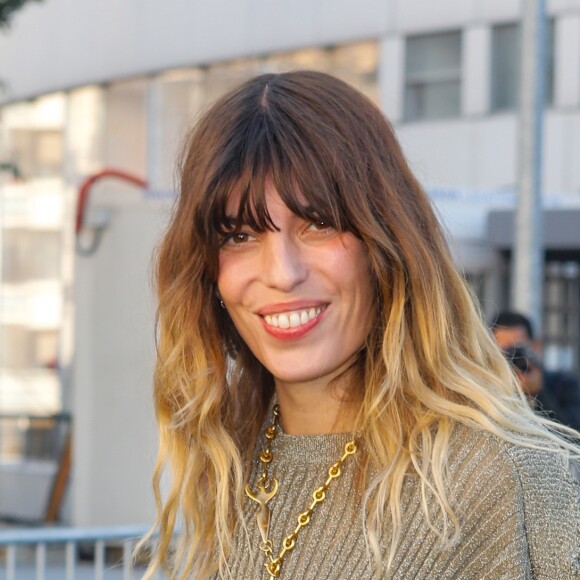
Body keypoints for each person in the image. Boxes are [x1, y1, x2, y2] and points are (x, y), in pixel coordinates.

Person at [144, 71, 580, 579]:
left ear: (387, 240)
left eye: (319, 224)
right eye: (240, 235)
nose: (282, 274)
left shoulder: (509, 474)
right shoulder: (224, 464)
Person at [491, 310, 580, 431]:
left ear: (535, 346)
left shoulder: (564, 384)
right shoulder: (487, 387)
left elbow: (573, 436)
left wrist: (539, 394)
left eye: (518, 349)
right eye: (505, 351)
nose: (512, 357)